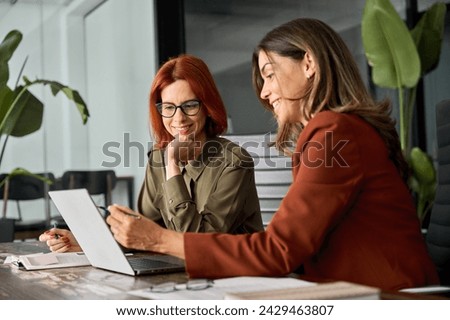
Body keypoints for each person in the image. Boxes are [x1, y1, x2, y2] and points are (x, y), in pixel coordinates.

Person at [103, 18, 440, 291]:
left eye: (268, 73)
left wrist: (160, 240)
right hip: (352, 290)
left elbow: (277, 250)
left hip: (387, 297)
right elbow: (287, 248)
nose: (264, 92)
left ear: (308, 62)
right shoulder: (339, 130)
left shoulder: (335, 133)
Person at [40, 54, 263, 252]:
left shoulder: (234, 160)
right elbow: (144, 231)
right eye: (168, 107)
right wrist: (84, 242)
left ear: (207, 106)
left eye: (190, 105)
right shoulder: (158, 157)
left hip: (231, 277)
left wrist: (173, 165)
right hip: (177, 273)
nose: (178, 118)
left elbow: (197, 242)